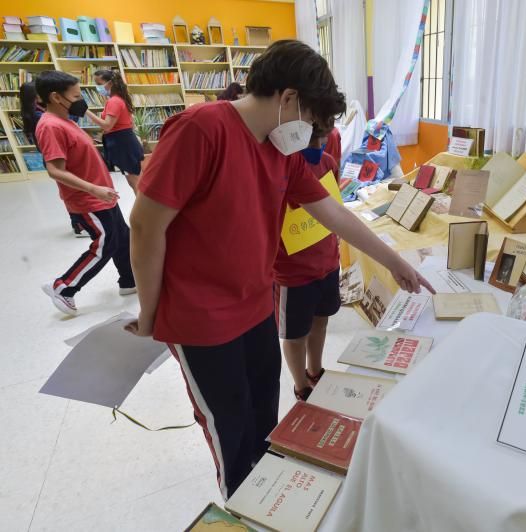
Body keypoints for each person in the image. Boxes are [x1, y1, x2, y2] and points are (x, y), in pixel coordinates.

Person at [125, 40, 433, 499]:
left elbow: (333, 213)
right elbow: (146, 226)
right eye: (309, 119)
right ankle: (242, 506)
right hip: (200, 320)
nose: (309, 132)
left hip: (254, 307)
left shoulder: (278, 150)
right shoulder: (201, 129)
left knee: (266, 420)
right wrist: (150, 313)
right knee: (230, 430)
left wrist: (394, 261)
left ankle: (266, 501)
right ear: (288, 98)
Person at [35, 71, 136, 316]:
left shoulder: (66, 120)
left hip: (102, 194)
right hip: (88, 199)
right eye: (77, 95)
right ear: (56, 97)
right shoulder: (50, 126)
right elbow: (54, 170)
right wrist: (94, 189)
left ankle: (129, 281)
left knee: (122, 237)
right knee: (105, 243)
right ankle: (64, 287)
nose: (82, 100)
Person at [274, 119, 340, 401]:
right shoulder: (280, 167)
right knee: (295, 333)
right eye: (312, 138)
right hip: (293, 271)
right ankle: (301, 384)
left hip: (327, 262)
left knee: (321, 321)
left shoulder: (327, 163)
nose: (318, 145)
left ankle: (316, 370)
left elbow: (335, 209)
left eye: (323, 137)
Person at [21, 81, 88, 238]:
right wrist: (75, 112)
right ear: (35, 97)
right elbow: (66, 123)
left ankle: (79, 223)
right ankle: (78, 224)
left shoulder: (36, 112)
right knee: (71, 191)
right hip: (56, 156)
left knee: (70, 189)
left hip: (55, 154)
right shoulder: (41, 117)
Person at [85, 70, 143, 192]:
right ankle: (146, 208)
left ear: (110, 83)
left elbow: (107, 126)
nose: (97, 87)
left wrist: (86, 111)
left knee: (135, 183)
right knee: (136, 181)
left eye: (98, 83)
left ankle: (144, 209)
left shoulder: (114, 101)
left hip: (123, 144)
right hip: (125, 142)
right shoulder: (118, 99)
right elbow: (129, 123)